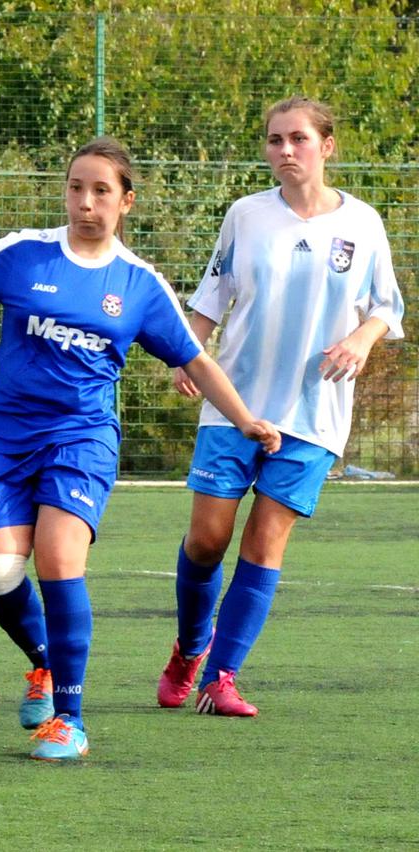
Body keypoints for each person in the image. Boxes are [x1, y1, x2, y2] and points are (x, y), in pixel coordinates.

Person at [0, 137, 282, 760]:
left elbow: (196, 358)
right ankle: (43, 663)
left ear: (125, 201)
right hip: (6, 437)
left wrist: (245, 419)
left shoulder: (139, 284)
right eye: (76, 188)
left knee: (59, 560)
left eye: (101, 191)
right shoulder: (25, 252)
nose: (86, 202)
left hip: (82, 439)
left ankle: (70, 720)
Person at [155, 97, 404, 717]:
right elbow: (214, 294)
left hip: (315, 412)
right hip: (236, 403)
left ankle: (222, 677)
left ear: (327, 146)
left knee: (264, 544)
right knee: (208, 541)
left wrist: (358, 340)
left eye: (297, 138)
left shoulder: (364, 223)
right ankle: (190, 647)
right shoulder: (246, 215)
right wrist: (192, 354)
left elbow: (387, 308)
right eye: (274, 140)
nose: (285, 150)